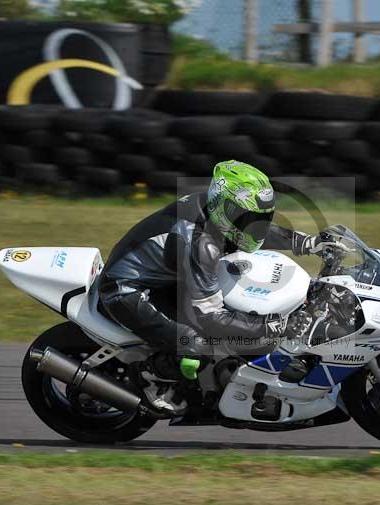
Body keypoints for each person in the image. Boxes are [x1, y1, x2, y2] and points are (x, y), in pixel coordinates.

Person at [97, 160, 341, 414]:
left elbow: (254, 233)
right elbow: (210, 318)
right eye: (246, 217)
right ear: (223, 206)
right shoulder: (199, 243)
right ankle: (151, 377)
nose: (254, 224)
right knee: (198, 343)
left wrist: (308, 243)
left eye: (259, 217)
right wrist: (275, 326)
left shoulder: (217, 210)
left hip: (164, 279)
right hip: (126, 289)